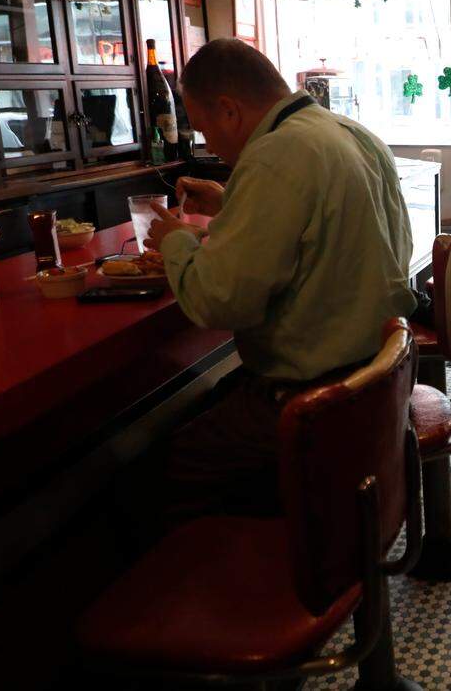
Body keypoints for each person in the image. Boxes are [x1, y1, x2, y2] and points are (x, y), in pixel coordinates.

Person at [138, 39, 416, 528]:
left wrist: (176, 243)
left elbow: (218, 302)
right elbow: (327, 230)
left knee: (152, 471)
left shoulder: (274, 155)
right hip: (372, 382)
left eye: (204, 130)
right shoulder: (348, 132)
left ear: (229, 110)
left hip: (318, 397)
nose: (209, 144)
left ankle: (234, 589)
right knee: (209, 404)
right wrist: (232, 205)